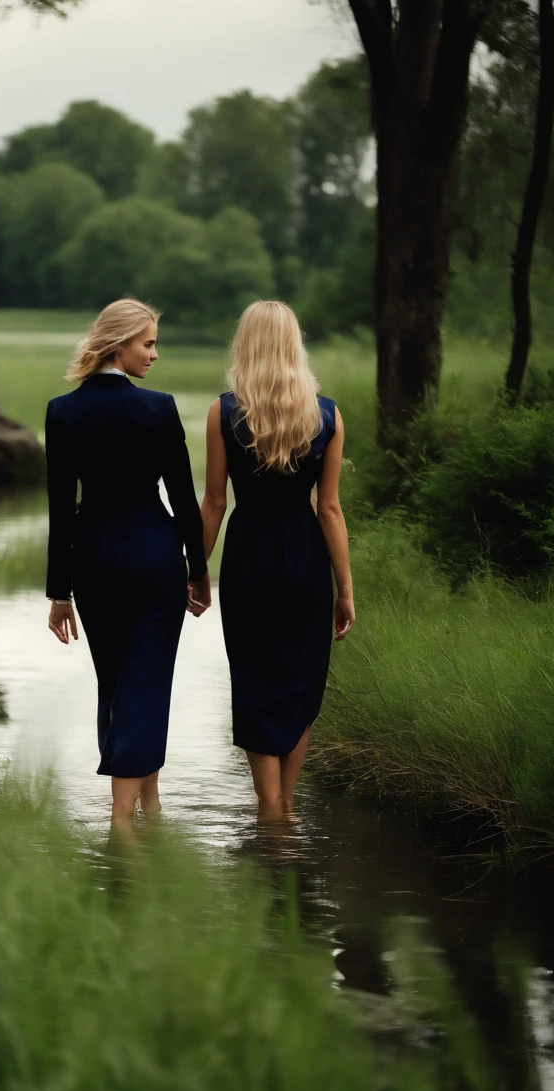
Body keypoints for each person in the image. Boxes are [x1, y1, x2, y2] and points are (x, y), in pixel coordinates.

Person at [45, 298, 211, 825]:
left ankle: (149, 801)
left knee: (117, 681)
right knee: (148, 682)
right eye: (148, 343)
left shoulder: (61, 411)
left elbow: (60, 509)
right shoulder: (158, 408)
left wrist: (59, 592)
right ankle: (124, 817)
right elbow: (185, 501)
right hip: (153, 559)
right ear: (119, 345)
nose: (155, 354)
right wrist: (199, 572)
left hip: (92, 562)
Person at [200, 300, 355, 814]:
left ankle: (268, 805)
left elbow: (216, 503)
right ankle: (285, 802)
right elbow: (329, 508)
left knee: (254, 678)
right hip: (305, 561)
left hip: (248, 559)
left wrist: (196, 572)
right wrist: (345, 590)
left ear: (245, 345)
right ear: (295, 345)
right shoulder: (327, 414)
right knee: (300, 679)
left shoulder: (223, 412)